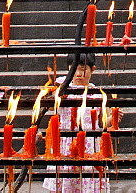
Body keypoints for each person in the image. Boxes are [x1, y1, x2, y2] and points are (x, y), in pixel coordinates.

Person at [44, 53, 114, 192]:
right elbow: (50, 105)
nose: (78, 74)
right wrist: (57, 95)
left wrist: (114, 118)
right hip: (65, 141)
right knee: (67, 179)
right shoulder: (62, 86)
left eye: (83, 69)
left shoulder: (97, 93)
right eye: (73, 69)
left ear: (92, 69)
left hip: (89, 143)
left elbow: (105, 121)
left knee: (86, 179)